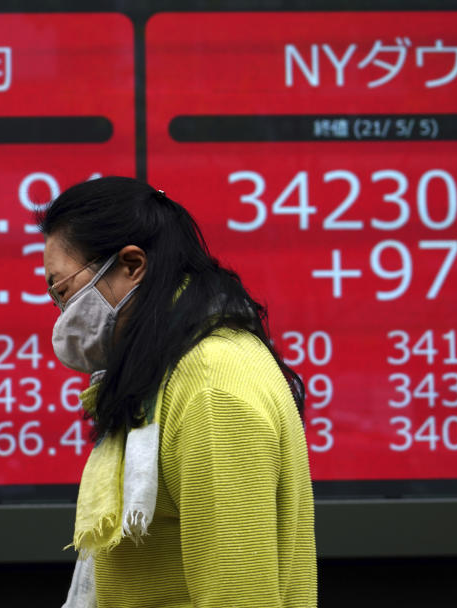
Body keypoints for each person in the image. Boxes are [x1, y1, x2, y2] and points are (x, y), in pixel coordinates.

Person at [41, 176, 316, 608]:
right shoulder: (172, 369)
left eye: (63, 290)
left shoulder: (212, 389)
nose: (63, 314)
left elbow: (239, 595)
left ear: (132, 265)